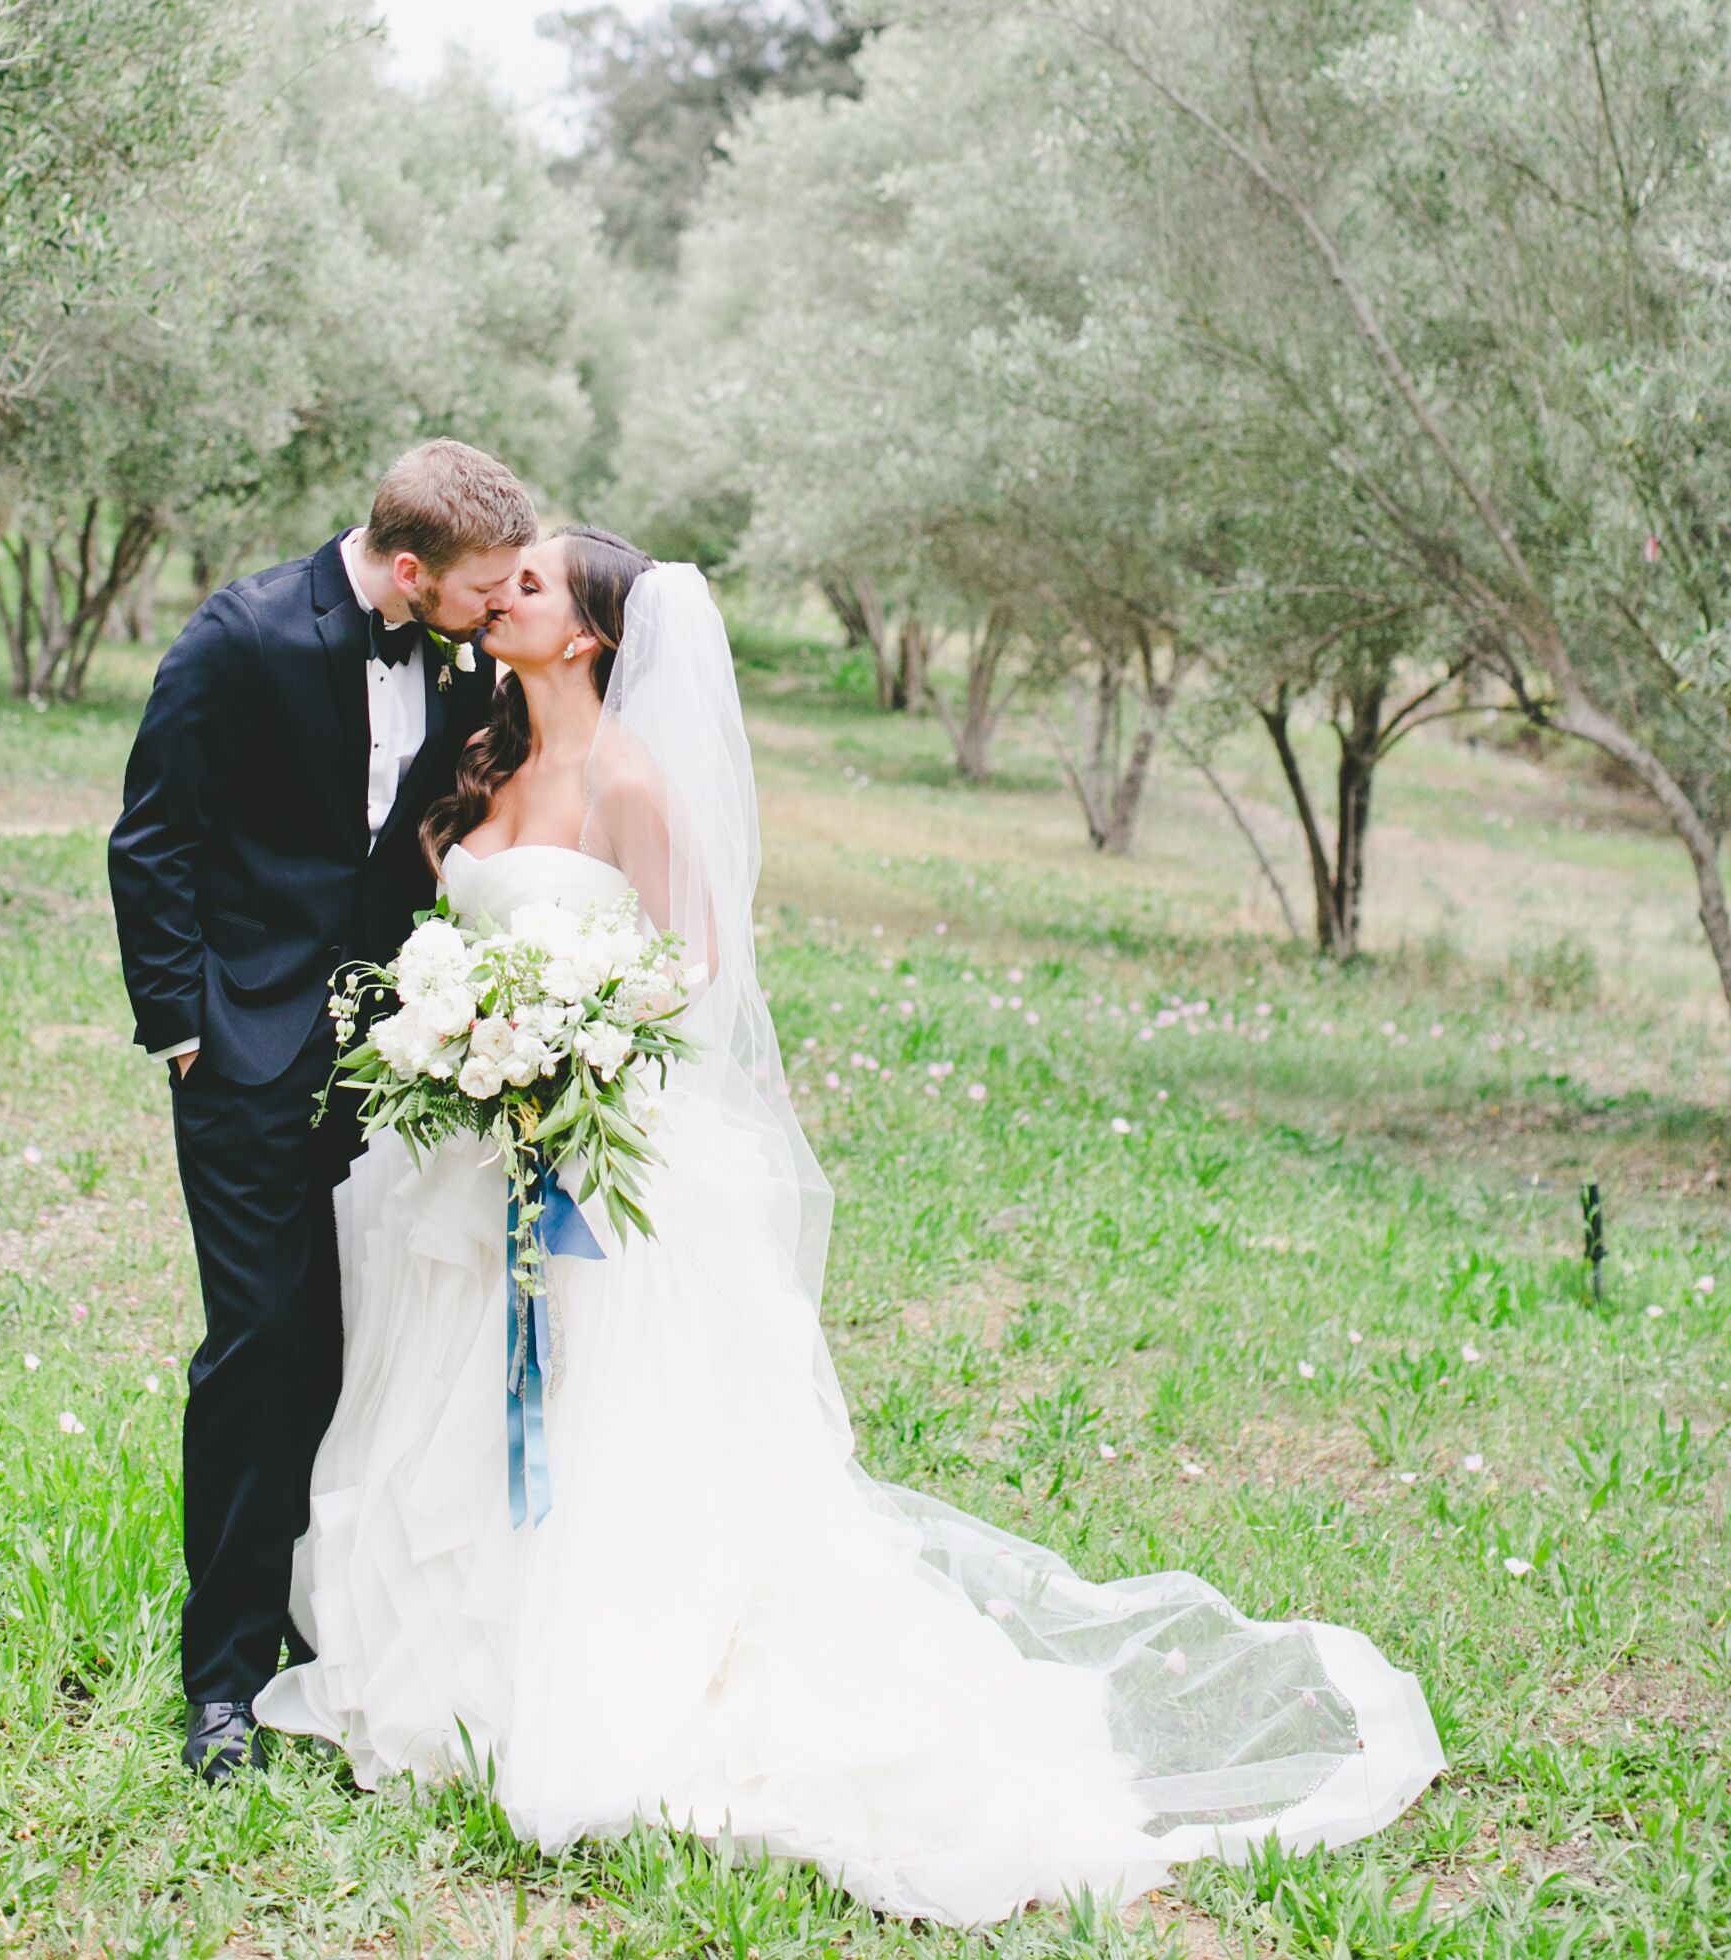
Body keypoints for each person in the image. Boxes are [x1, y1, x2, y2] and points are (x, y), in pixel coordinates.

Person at [255, 533, 1445, 1925]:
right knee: (454, 1398)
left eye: (530, 586)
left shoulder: (631, 782)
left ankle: (598, 1668)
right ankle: (453, 1653)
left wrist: (569, 1057)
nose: (498, 594)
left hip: (597, 1163)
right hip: (468, 1163)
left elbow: (692, 976)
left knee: (608, 1426)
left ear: (585, 636)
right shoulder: (478, 751)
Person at [108, 439, 536, 1782]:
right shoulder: (238, 637)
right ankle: (223, 1675)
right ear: (411, 569)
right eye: (481, 586)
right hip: (240, 1051)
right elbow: (153, 838)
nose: (498, 605)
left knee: (359, 1342)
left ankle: (326, 1626)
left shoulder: (464, 661)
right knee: (261, 1343)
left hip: (391, 1058)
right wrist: (184, 1030)